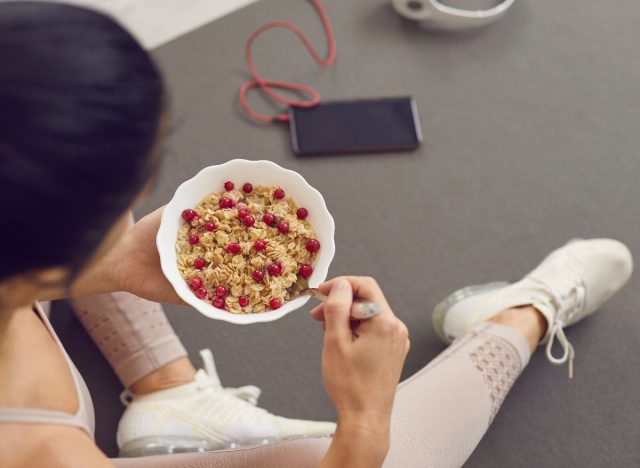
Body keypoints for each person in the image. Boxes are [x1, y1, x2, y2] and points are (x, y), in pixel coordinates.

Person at [0, 3, 633, 468]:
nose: (142, 203)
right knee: (395, 456)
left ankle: (170, 393)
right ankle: (516, 317)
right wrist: (363, 423)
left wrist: (104, 268)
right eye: (131, 195)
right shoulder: (45, 453)